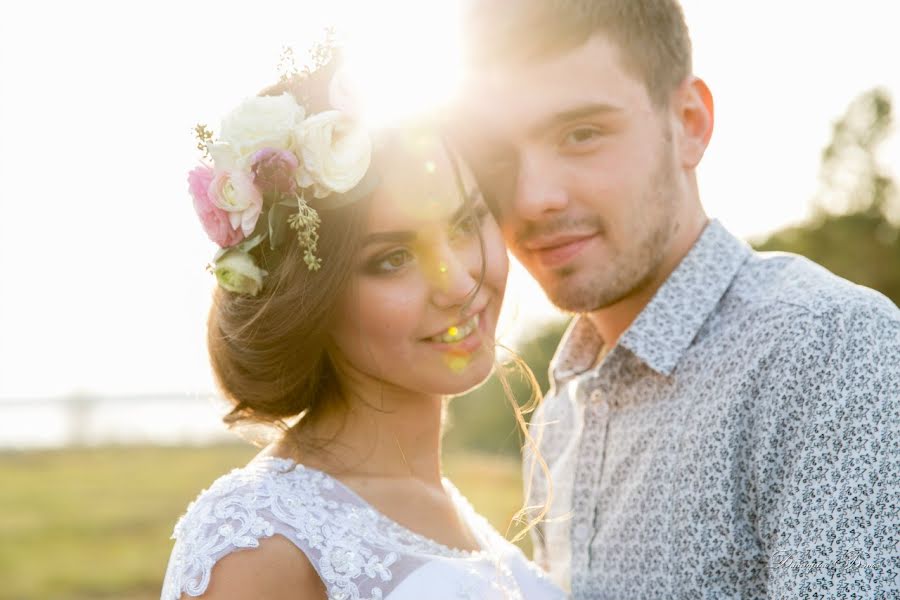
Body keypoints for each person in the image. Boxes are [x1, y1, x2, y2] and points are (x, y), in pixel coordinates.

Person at [453, 0, 900, 597]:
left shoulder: (831, 352)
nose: (534, 198)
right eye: (498, 158)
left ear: (689, 122)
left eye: (581, 134)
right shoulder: (558, 413)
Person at [160, 55, 567, 600]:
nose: (458, 282)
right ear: (312, 299)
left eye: (466, 223)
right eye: (392, 258)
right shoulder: (261, 545)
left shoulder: (452, 507)